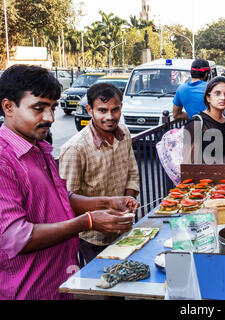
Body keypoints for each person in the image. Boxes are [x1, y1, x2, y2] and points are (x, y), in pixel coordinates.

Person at [0, 65, 137, 300]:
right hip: (29, 290)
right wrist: (89, 222)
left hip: (60, 282)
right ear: (8, 107)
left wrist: (105, 202)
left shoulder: (38, 148)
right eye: (38, 109)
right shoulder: (4, 160)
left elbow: (63, 198)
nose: (50, 118)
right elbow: (16, 237)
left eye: (52, 108)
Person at [58, 83, 140, 263]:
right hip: (94, 237)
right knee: (107, 284)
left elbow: (132, 174)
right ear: (89, 110)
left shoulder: (124, 133)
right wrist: (104, 212)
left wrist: (129, 200)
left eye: (115, 110)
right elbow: (67, 200)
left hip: (125, 227)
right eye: (102, 110)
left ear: (121, 108)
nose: (109, 117)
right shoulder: (75, 148)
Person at [184, 77, 225, 164]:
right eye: (217, 93)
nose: (223, 97)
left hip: (224, 175)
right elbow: (188, 163)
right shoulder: (197, 123)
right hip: (203, 176)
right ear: (208, 98)